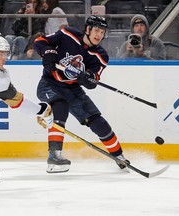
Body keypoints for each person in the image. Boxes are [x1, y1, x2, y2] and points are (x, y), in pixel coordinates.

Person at [34, 15, 130, 173]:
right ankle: (54, 155)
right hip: (49, 84)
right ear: (87, 29)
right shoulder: (67, 34)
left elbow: (93, 80)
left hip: (73, 90)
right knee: (60, 106)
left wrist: (88, 78)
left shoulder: (100, 56)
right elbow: (40, 41)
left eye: (102, 32)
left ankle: (119, 156)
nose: (99, 35)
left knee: (98, 121)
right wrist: (48, 52)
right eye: (97, 30)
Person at [0, 35, 53, 194]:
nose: (5, 58)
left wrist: (41, 110)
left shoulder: (0, 78)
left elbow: (17, 101)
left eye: (6, 53)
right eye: (1, 54)